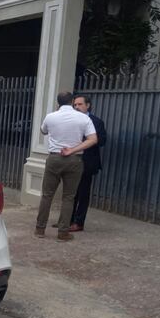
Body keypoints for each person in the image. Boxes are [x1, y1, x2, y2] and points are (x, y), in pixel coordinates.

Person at [35, 91, 98, 241]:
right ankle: (63, 232)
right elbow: (93, 139)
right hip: (74, 159)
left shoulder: (51, 116)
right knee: (69, 197)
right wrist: (73, 149)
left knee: (47, 195)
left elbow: (43, 130)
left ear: (58, 103)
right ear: (72, 102)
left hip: (54, 158)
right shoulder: (83, 118)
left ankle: (40, 229)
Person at [70, 95, 107, 232]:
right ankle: (68, 219)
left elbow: (102, 141)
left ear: (88, 105)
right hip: (72, 161)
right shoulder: (72, 120)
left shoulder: (96, 122)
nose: (77, 107)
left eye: (80, 104)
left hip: (87, 162)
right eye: (75, 105)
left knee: (83, 193)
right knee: (71, 192)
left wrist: (87, 140)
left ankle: (79, 222)